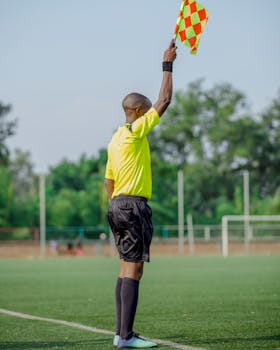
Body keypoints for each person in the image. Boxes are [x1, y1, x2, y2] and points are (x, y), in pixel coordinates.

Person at [105, 39, 177, 349]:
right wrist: (168, 64)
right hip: (132, 206)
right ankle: (126, 337)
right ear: (136, 111)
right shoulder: (136, 132)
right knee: (133, 269)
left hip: (117, 204)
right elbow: (165, 99)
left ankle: (121, 333)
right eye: (145, 111)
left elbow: (108, 179)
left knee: (126, 268)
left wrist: (116, 203)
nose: (151, 115)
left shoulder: (115, 139)